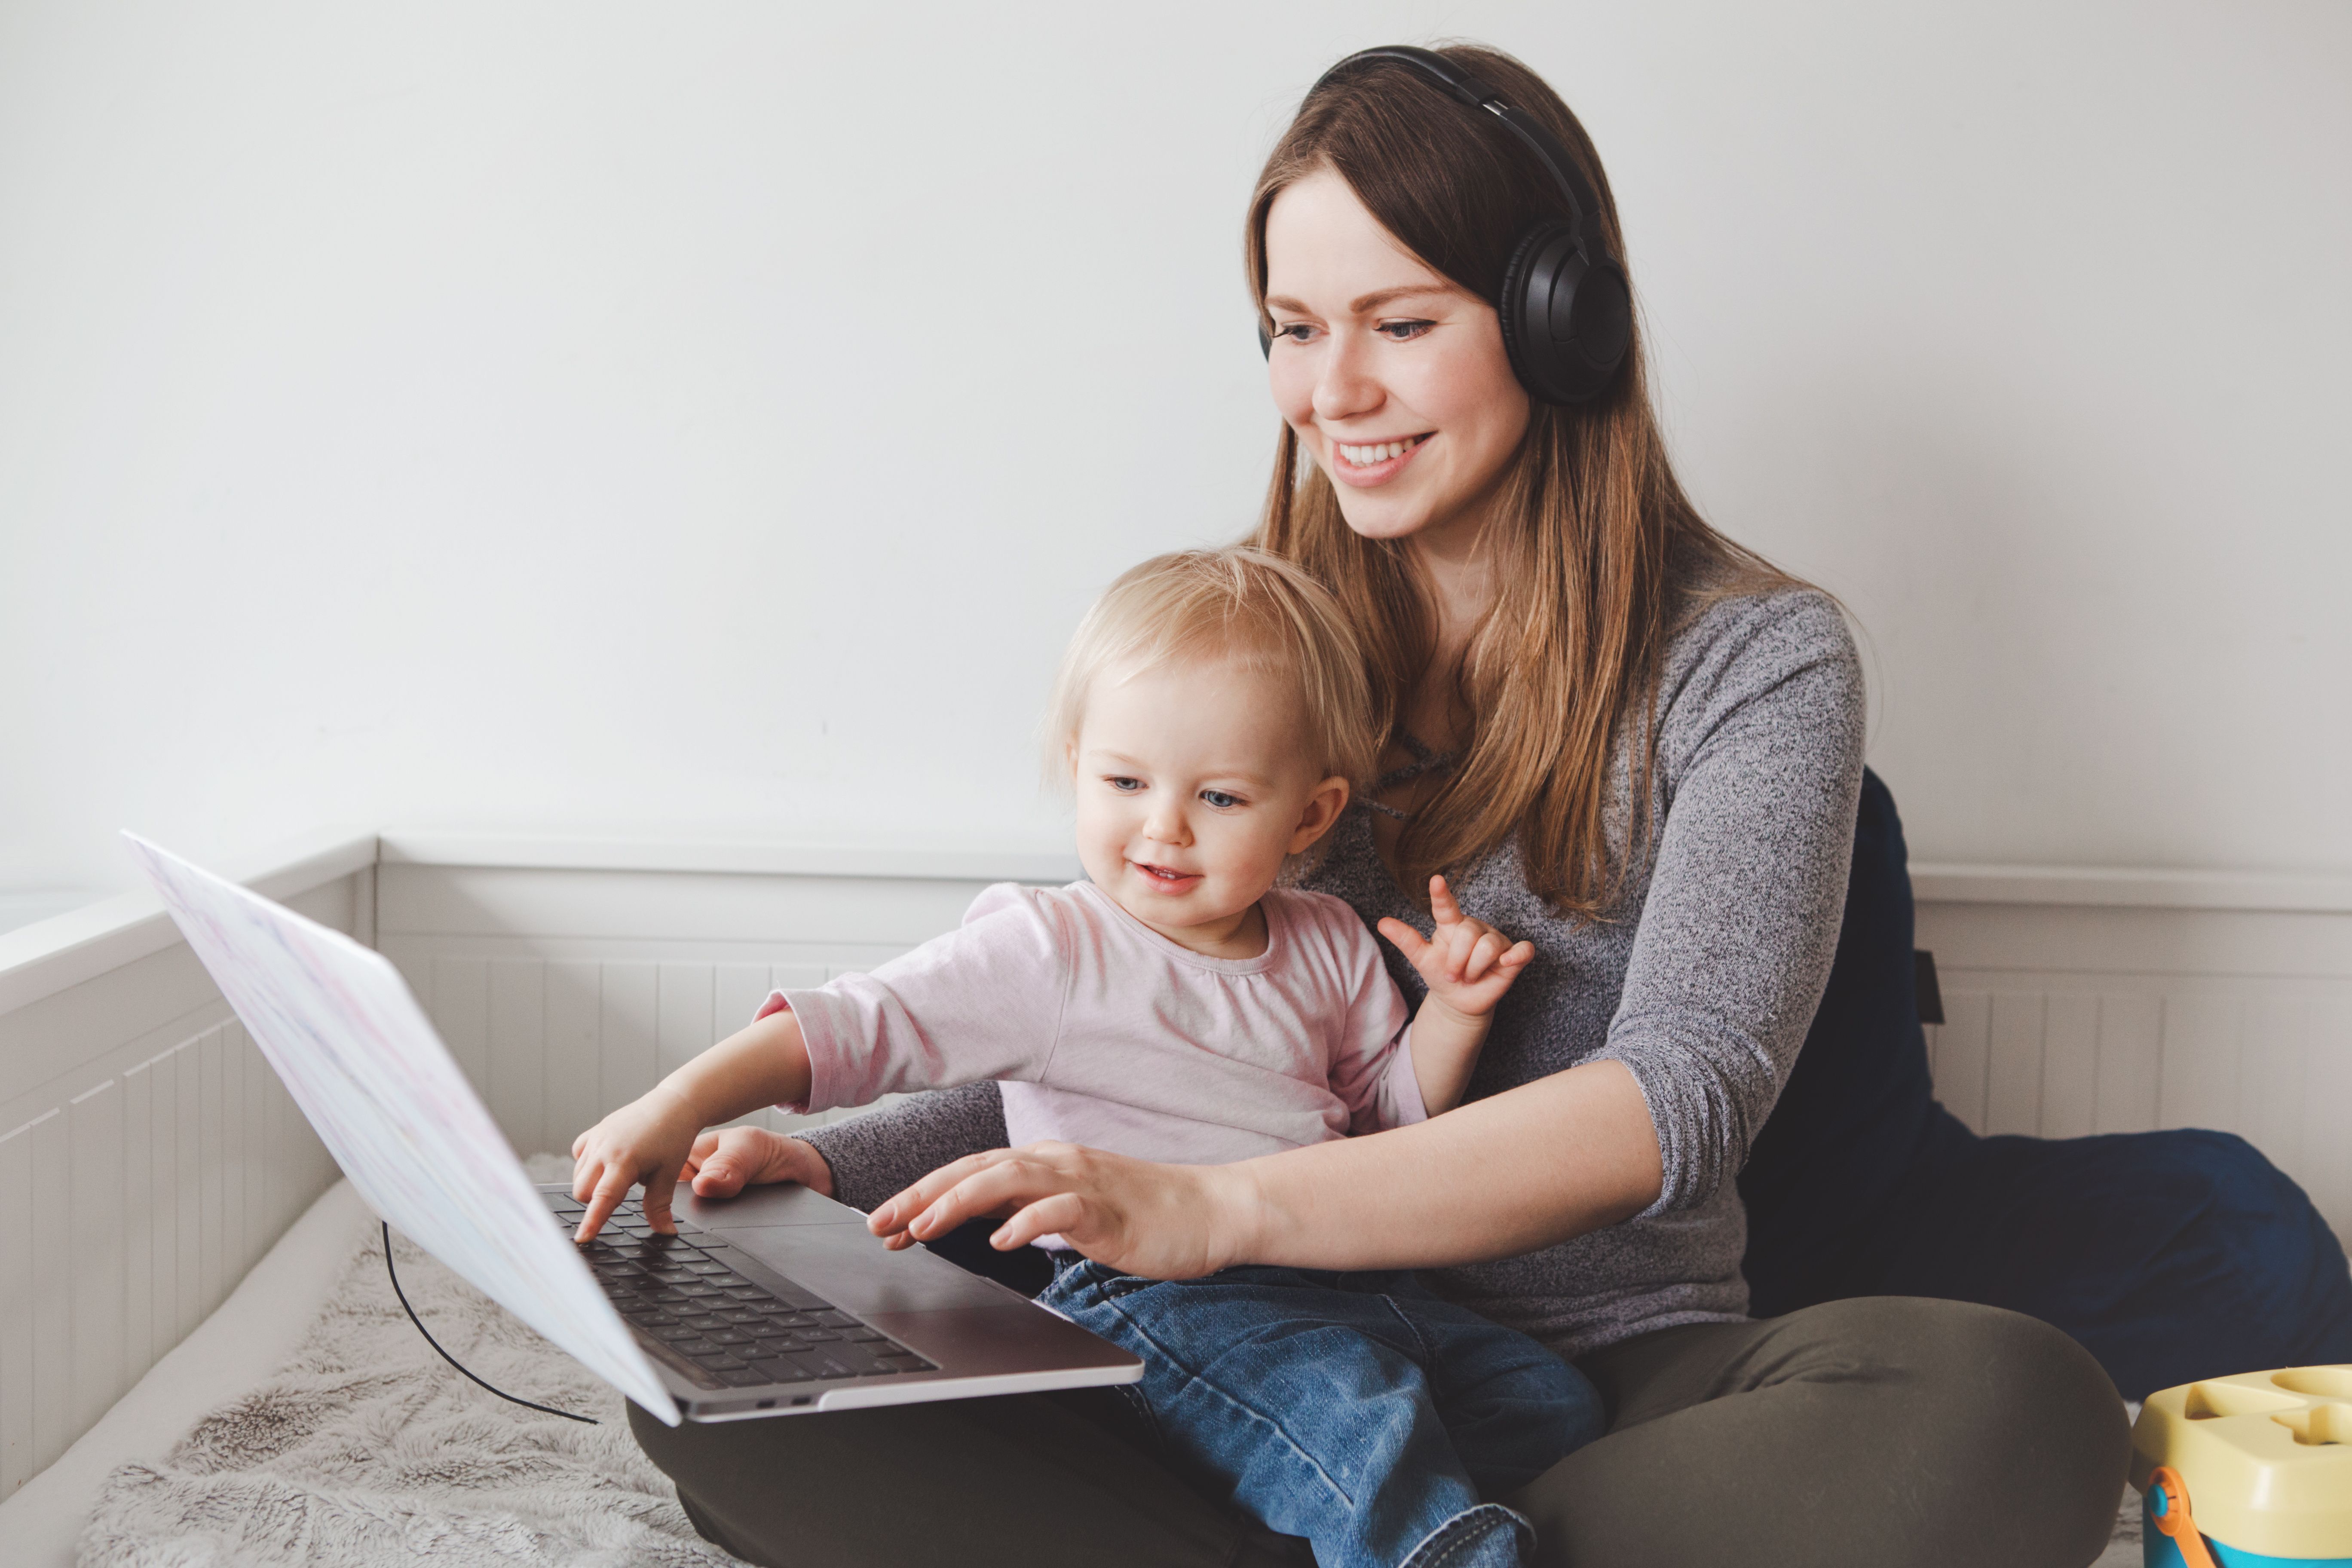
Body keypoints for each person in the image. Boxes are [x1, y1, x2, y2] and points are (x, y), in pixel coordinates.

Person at [622, 43, 2129, 1568]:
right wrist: (833, 1158)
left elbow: (1682, 1087)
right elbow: (1102, 1000)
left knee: (2016, 1401)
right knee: (719, 1380)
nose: (1330, 393)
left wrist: (1220, 1208)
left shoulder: (1757, 658)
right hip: (1219, 1338)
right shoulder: (1255, 642)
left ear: (1561, 326)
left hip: (1591, 1375)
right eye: (1292, 329)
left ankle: (1409, 1528)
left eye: (1399, 325)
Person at [574, 548, 1608, 1568]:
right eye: (1124, 780)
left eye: (1221, 799)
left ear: (1313, 813)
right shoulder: (1053, 948)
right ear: (1078, 765)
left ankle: (1298, 1507)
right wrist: (679, 1099)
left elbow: (1387, 1125)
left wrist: (1455, 1019)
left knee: (1553, 1405)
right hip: (1162, 1299)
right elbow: (857, 1024)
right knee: (1348, 1413)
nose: (1162, 828)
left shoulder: (1331, 939)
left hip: (1352, 1274)